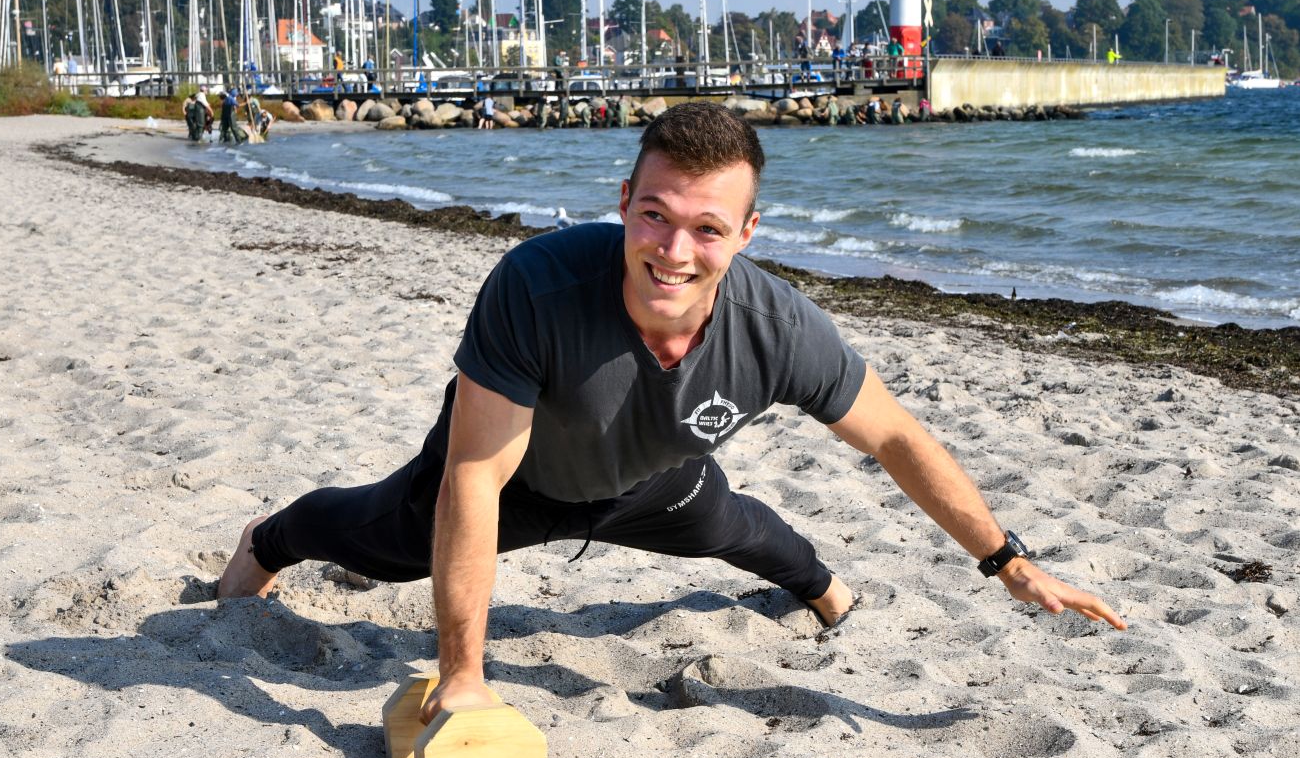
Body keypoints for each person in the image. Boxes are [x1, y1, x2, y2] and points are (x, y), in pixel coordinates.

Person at [216, 103, 1126, 724]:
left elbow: (895, 436)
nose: (674, 250)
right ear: (623, 203)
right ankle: (265, 541)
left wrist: (1006, 560)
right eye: (654, 216)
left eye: (708, 229)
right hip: (515, 478)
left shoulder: (779, 329)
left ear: (748, 234)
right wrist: (462, 676)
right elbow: (474, 477)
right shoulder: (537, 286)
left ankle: (826, 594)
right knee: (373, 538)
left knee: (738, 528)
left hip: (655, 477)